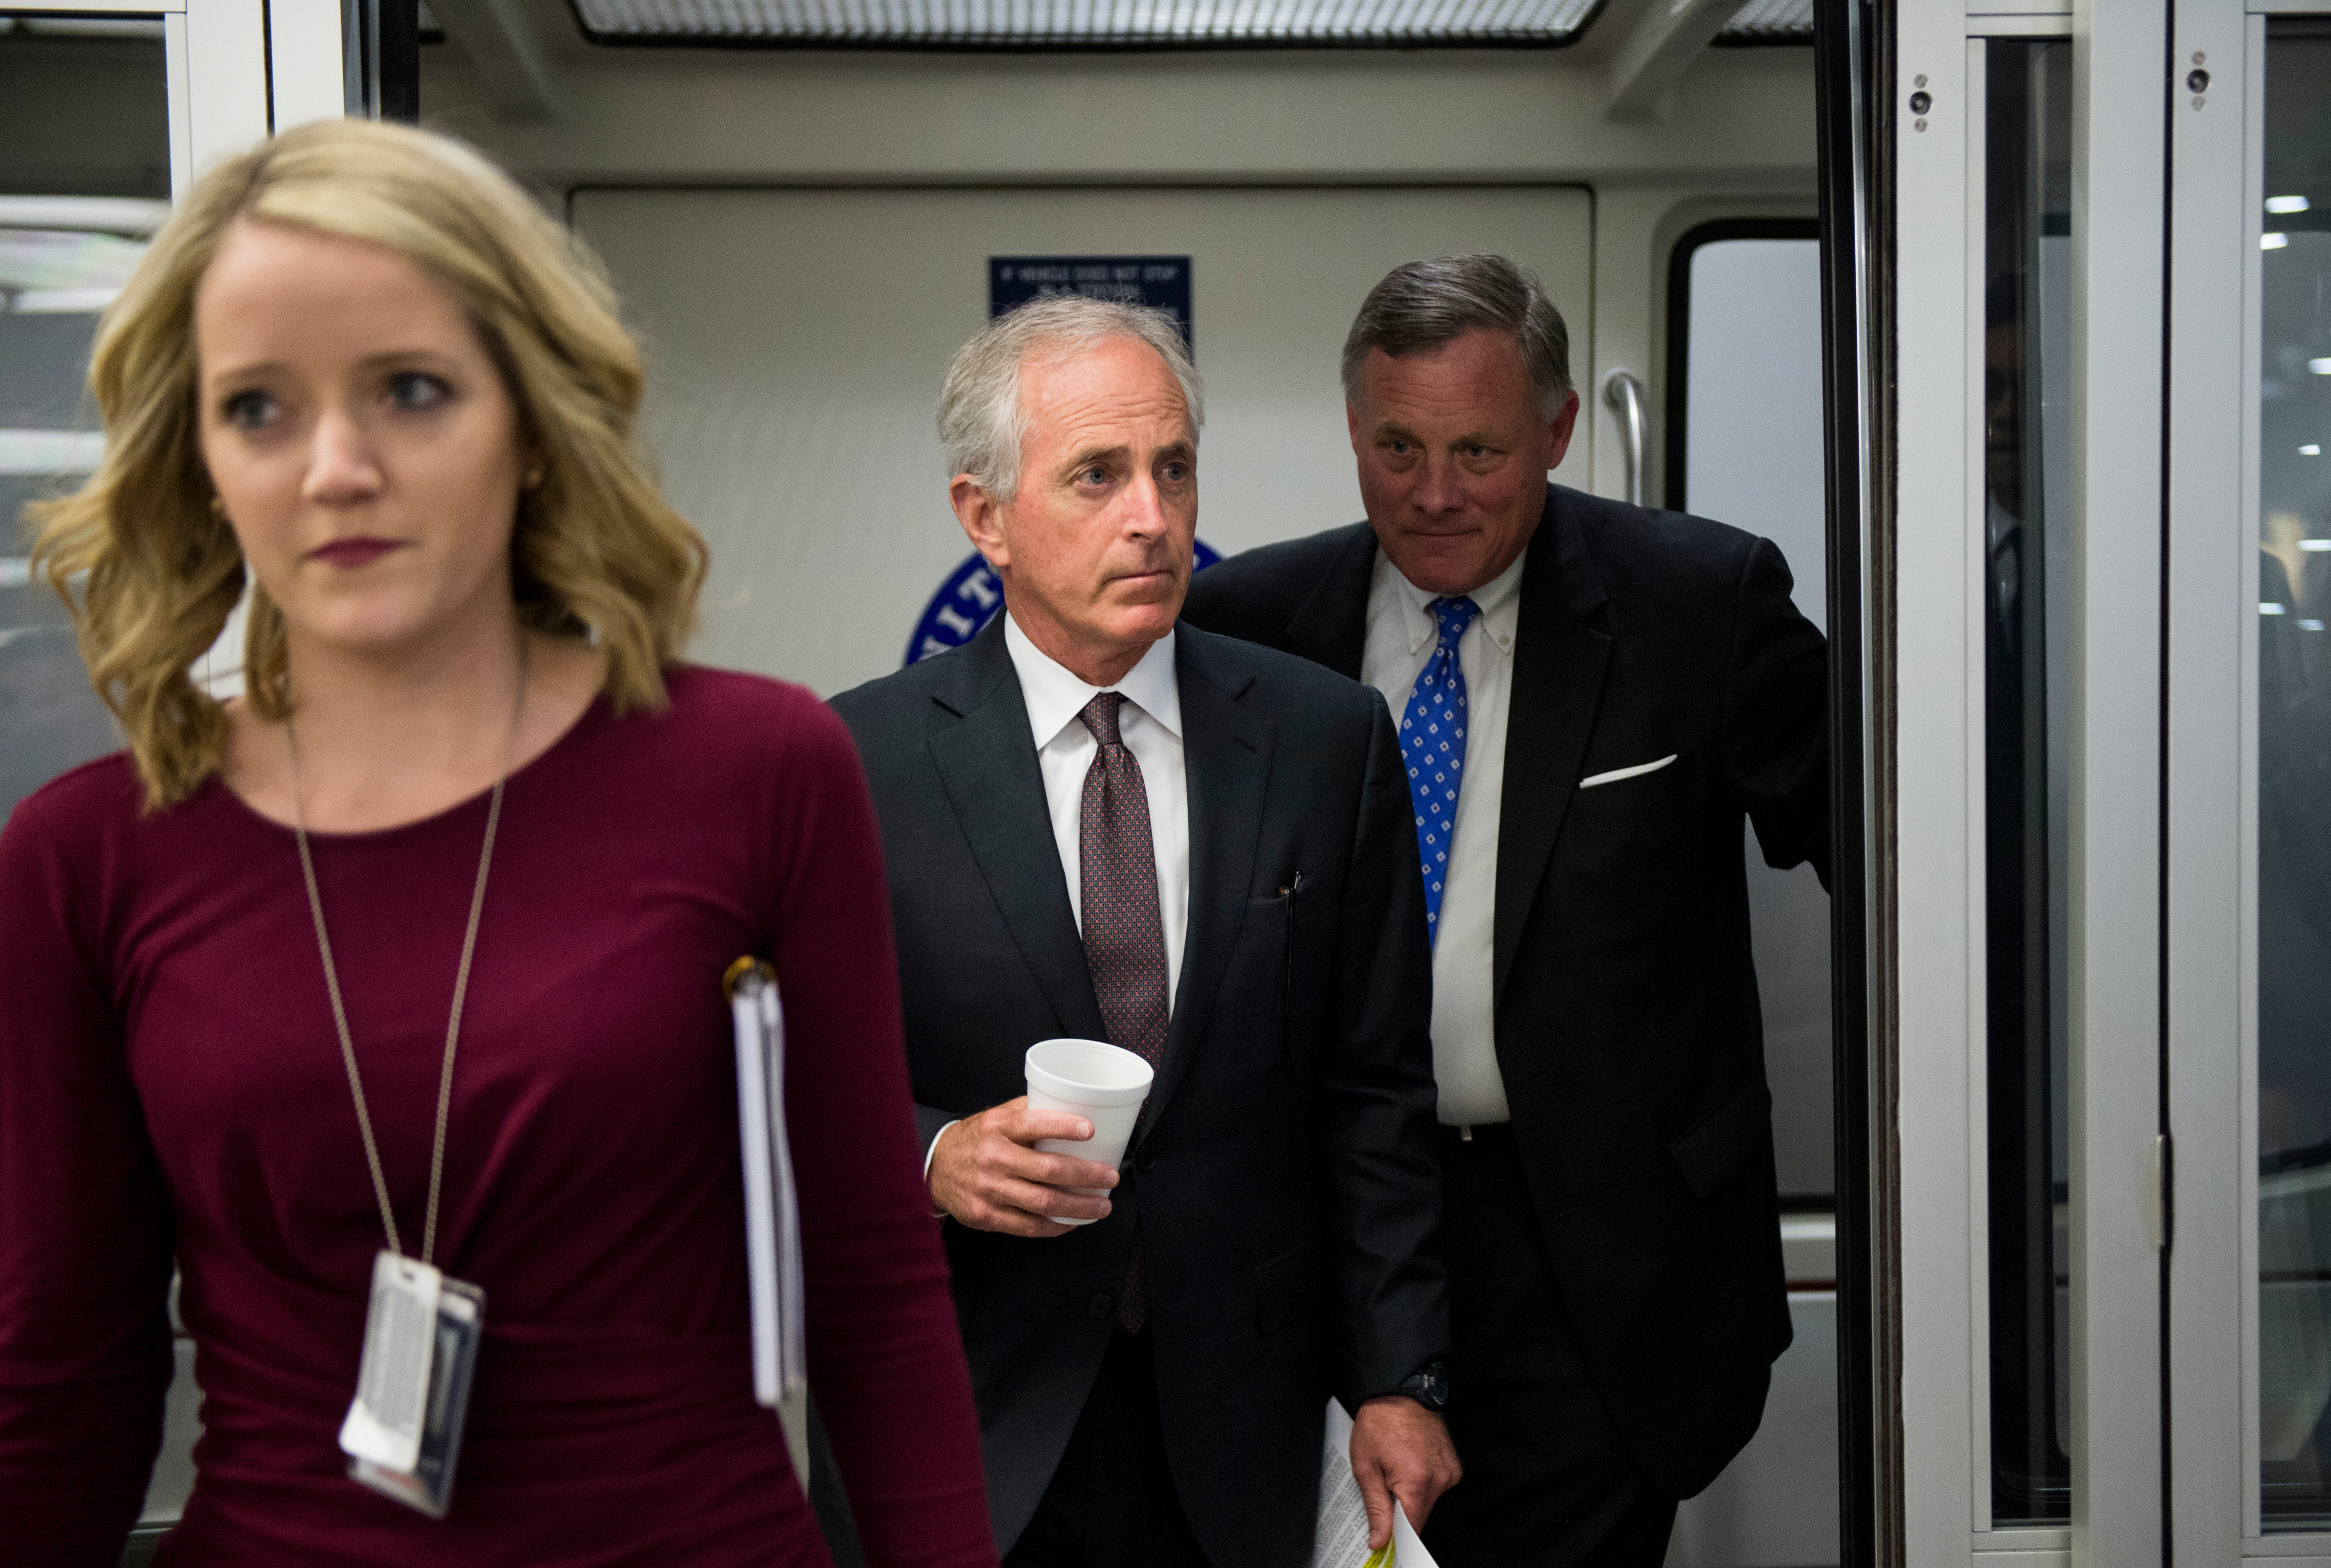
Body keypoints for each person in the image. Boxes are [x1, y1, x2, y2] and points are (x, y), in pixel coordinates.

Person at [0, 119, 995, 1567]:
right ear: (198, 457)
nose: (335, 466)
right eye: (259, 408)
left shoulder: (758, 769)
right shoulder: (90, 856)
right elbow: (64, 1376)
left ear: (529, 421)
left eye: (408, 389)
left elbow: (870, 1287)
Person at [1180, 254, 1829, 1566]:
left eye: (1477, 450)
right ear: (1352, 431)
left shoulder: (1696, 606)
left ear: (1558, 429)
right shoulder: (1247, 623)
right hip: (1329, 1241)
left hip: (1592, 1252)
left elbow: (1895, 866)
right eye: (1396, 446)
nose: (1432, 494)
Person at [827, 295, 1458, 1568]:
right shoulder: (854, 760)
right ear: (982, 516)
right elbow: (782, 1095)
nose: (1153, 517)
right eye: (1098, 476)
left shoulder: (1322, 740)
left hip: (1246, 1423)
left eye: (1173, 469)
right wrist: (932, 1153)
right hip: (969, 1408)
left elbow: (1374, 1092)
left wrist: (1402, 1378)